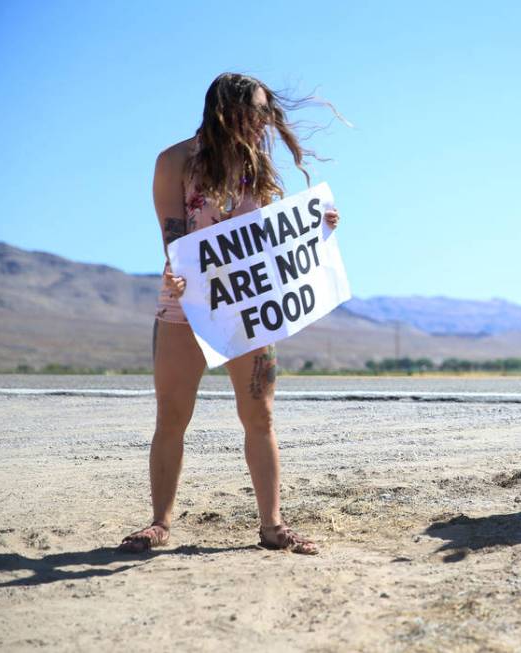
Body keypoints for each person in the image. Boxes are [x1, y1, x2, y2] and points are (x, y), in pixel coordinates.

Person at [118, 73, 340, 555]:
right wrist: (176, 273)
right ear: (225, 112)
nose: (263, 122)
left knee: (259, 416)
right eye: (255, 112)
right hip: (184, 306)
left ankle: (272, 526)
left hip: (249, 307)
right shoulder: (174, 161)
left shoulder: (256, 166)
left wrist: (317, 226)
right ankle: (159, 523)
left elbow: (268, 238)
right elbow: (175, 240)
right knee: (172, 415)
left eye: (266, 113)